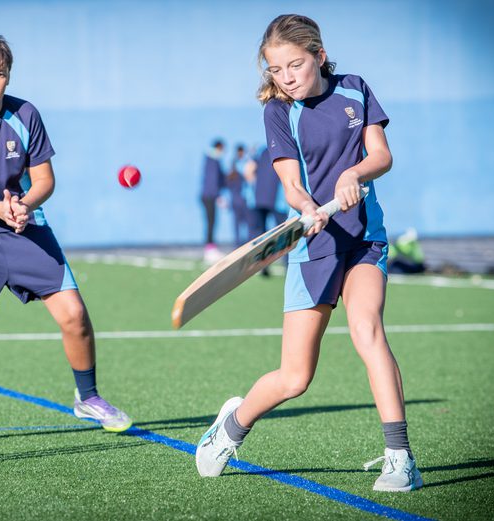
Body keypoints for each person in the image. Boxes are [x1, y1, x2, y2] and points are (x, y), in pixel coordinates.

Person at [195, 14, 423, 492]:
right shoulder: (278, 110)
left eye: (295, 65)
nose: (287, 77)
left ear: (319, 56)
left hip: (363, 238)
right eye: (276, 70)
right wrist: (306, 209)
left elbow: (381, 155)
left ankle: (400, 457)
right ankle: (231, 427)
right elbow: (291, 183)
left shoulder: (355, 89)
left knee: (368, 331)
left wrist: (354, 175)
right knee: (296, 377)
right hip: (314, 244)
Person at [0, 32, 131, 445]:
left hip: (25, 223)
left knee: (74, 314)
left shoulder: (26, 114)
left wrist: (22, 204)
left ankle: (88, 397)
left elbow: (44, 180)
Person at [252, 145, 289, 276]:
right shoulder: (284, 148)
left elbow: (249, 171)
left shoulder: (261, 151)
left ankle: (261, 266)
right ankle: (288, 264)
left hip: (259, 197)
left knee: (261, 234)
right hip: (277, 198)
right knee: (284, 232)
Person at [200, 139, 226, 263]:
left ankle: (210, 247)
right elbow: (213, 180)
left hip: (209, 195)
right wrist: (217, 196)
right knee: (211, 221)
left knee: (212, 221)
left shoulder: (212, 160)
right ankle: (209, 249)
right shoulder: (212, 160)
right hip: (209, 196)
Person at [226, 144, 252, 247]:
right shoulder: (240, 167)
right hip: (241, 201)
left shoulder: (237, 166)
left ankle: (243, 245)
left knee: (244, 225)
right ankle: (239, 246)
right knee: (240, 225)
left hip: (240, 200)